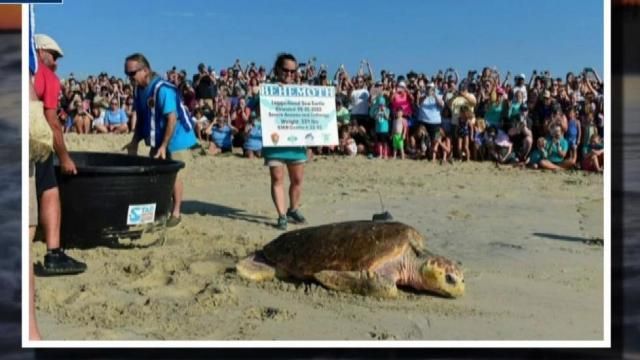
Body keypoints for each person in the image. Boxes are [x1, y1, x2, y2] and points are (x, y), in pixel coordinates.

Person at [122, 53, 198, 227]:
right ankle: (158, 211)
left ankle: (176, 212)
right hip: (158, 137)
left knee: (173, 174)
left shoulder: (163, 89)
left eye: (132, 73)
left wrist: (164, 146)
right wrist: (135, 141)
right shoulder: (139, 90)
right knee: (155, 174)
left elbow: (172, 118)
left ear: (145, 70)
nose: (129, 78)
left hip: (176, 138)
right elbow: (141, 117)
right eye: (126, 74)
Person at [33, 33, 87, 275]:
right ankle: (54, 253)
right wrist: (64, 157)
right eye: (54, 56)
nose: (56, 63)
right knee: (48, 189)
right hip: (33, 141)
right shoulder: (46, 76)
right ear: (40, 51)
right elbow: (52, 121)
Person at [262, 53, 308, 230]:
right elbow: (253, 107)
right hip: (275, 143)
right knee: (277, 179)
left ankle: (293, 209)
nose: (289, 74)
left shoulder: (303, 91)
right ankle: (281, 215)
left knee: (297, 180)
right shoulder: (267, 90)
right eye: (285, 70)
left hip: (296, 144)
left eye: (293, 71)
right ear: (277, 70)